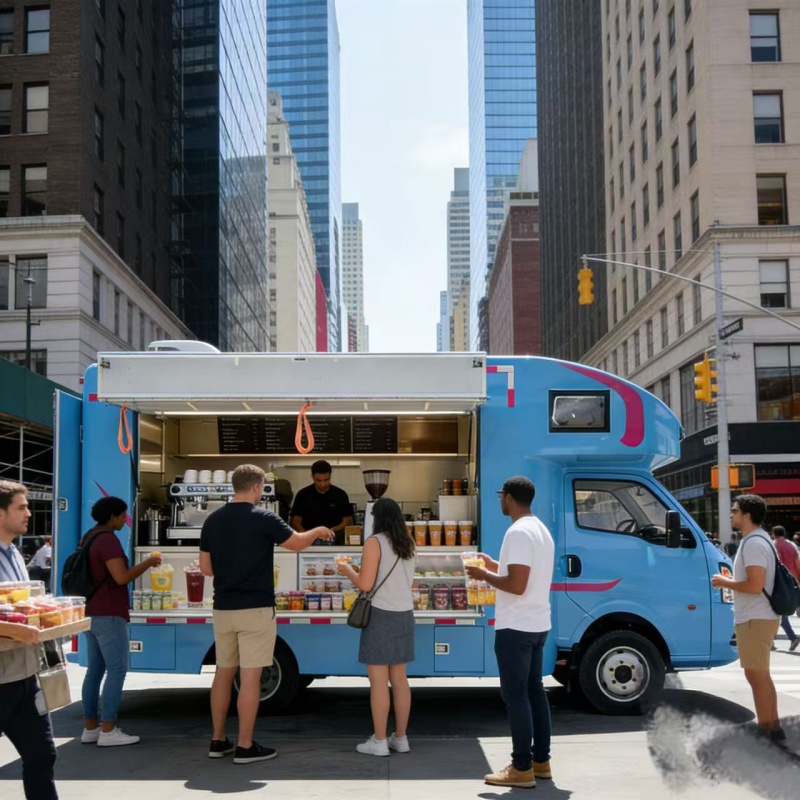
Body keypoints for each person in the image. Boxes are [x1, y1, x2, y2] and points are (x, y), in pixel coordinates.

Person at [199, 464, 334, 764]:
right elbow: (297, 544)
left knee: (223, 674)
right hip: (255, 610)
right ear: (258, 487)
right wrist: (318, 530)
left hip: (223, 609)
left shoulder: (213, 521)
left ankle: (218, 740)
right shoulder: (263, 517)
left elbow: (206, 569)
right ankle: (245, 746)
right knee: (250, 679)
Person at [465, 476, 555, 790]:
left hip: (516, 626)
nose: (499, 500)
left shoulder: (517, 532)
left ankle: (521, 767)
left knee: (516, 696)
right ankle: (540, 761)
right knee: (534, 693)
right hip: (537, 623)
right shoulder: (540, 529)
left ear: (510, 498)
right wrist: (496, 565)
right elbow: (523, 574)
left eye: (501, 495)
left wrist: (483, 574)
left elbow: (517, 586)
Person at [336, 497, 416, 757]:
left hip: (380, 616)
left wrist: (347, 569)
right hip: (404, 614)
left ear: (376, 518)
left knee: (379, 683)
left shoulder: (374, 542)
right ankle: (400, 738)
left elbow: (366, 584)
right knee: (400, 681)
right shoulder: (408, 542)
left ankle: (380, 741)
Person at [80, 496, 162, 747]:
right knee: (116, 669)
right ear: (112, 516)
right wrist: (148, 562)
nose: (125, 520)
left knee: (94, 671)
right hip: (109, 614)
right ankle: (108, 729)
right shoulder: (107, 540)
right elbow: (121, 577)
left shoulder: (89, 536)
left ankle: (90, 727)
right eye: (122, 516)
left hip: (90, 612)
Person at [0, 480, 59, 800]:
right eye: (21, 507)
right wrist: (17, 629)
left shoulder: (14, 553)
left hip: (24, 676)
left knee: (42, 755)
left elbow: (22, 608)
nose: (29, 513)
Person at [711, 494, 785, 746]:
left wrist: (724, 582)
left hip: (755, 617)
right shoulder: (758, 539)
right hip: (759, 616)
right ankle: (772, 728)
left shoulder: (753, 543)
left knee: (756, 678)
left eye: (734, 510)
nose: (731, 514)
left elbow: (755, 585)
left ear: (747, 515)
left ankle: (767, 734)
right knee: (761, 676)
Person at [290, 460, 353, 545]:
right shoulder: (303, 495)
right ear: (312, 477)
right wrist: (305, 534)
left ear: (330, 476)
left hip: (335, 542)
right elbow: (295, 520)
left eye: (326, 480)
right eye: (318, 480)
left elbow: (348, 521)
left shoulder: (340, 495)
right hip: (309, 543)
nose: (323, 484)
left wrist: (333, 530)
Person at [770, 525, 800, 652]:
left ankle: (789, 638)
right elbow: (798, 563)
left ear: (773, 534)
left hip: (777, 582)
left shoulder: (772, 545)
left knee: (775, 612)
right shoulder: (792, 545)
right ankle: (785, 638)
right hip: (791, 581)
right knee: (783, 612)